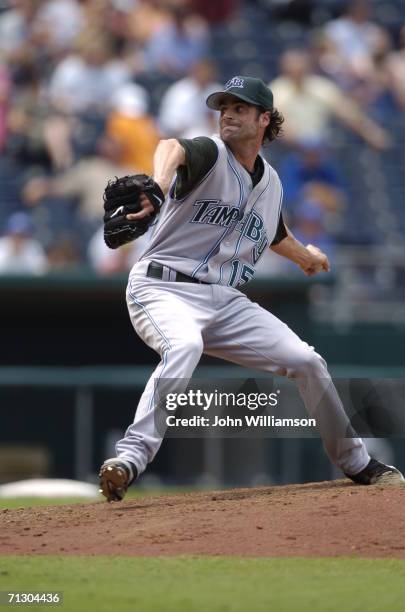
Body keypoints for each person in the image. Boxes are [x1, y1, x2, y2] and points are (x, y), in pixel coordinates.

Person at [99, 76, 404, 502]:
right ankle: (130, 460)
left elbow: (274, 233)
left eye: (239, 108)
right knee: (184, 346)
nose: (228, 114)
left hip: (224, 300)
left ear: (264, 119)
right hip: (162, 288)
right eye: (224, 107)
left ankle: (357, 463)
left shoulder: (272, 183)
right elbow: (172, 145)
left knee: (307, 360)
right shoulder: (210, 153)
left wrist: (305, 257)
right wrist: (159, 180)